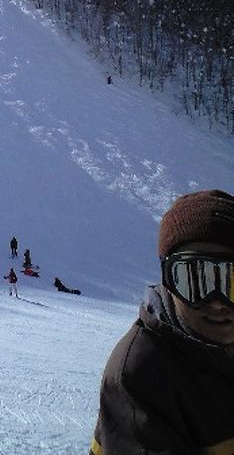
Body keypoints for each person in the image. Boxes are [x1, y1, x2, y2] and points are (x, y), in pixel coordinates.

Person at [89, 189, 234, 455]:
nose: (217, 302)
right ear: (168, 281)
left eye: (231, 282)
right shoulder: (140, 373)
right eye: (194, 281)